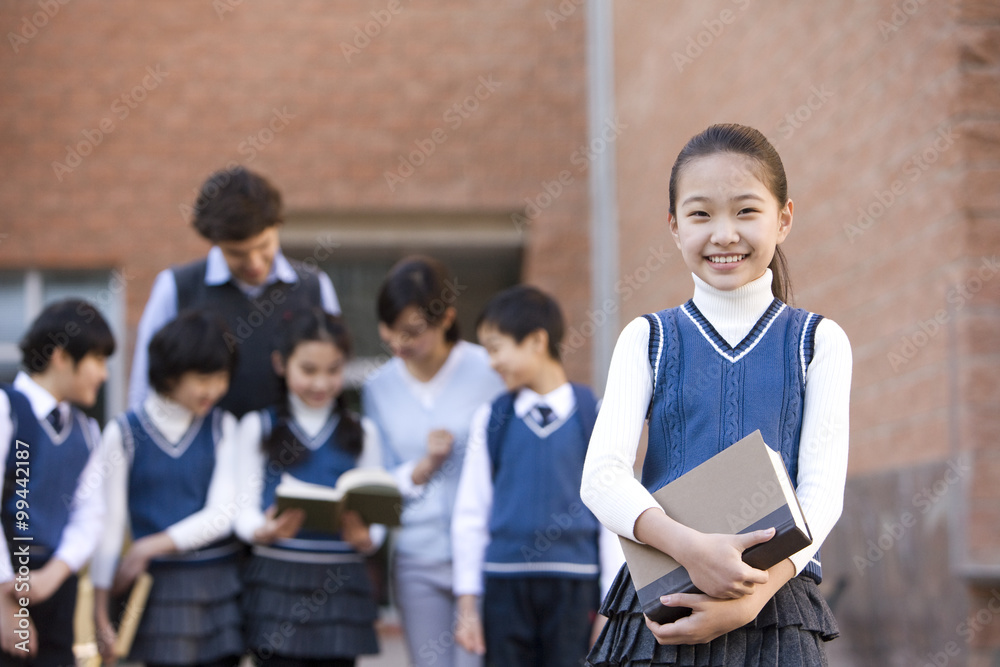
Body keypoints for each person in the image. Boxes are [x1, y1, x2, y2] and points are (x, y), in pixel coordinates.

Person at [581, 123, 852, 665]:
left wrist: (751, 597)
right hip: (664, 604)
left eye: (746, 211)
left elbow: (820, 493)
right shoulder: (648, 338)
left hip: (777, 610)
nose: (724, 234)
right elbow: (601, 476)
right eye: (701, 214)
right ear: (675, 226)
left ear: (784, 218)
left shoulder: (818, 341)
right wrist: (690, 549)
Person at [452, 285, 623, 667]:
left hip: (574, 586)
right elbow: (471, 512)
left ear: (536, 341)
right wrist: (468, 601)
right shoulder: (492, 418)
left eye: (495, 348)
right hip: (503, 584)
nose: (491, 362)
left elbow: (612, 518)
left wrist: (611, 604)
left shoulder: (593, 416)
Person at [362, 256, 505, 667]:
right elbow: (380, 476)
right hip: (415, 556)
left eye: (412, 331)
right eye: (389, 328)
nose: (397, 342)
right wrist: (420, 468)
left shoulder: (489, 370)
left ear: (446, 319)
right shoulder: (378, 386)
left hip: (484, 551)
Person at [91, 310, 242, 666]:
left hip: (217, 587)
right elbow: (109, 527)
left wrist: (148, 547)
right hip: (153, 595)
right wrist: (99, 612)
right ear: (171, 373)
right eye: (205, 378)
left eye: (223, 378)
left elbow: (223, 515)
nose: (215, 390)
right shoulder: (124, 433)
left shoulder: (223, 427)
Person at [129, 165, 341, 418]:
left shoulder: (313, 286)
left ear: (278, 226)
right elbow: (144, 386)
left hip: (287, 447)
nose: (254, 263)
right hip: (205, 449)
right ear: (214, 242)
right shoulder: (177, 287)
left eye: (263, 246)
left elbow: (332, 372)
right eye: (236, 254)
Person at [235, 308, 384, 666]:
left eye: (333, 370)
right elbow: (240, 505)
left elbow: (376, 513)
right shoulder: (258, 427)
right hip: (277, 580)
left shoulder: (363, 432)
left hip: (341, 582)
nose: (321, 383)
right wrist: (262, 529)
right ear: (280, 364)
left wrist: (368, 537)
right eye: (308, 370)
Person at [0, 299, 115, 664]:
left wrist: (53, 575)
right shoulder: (5, 410)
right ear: (62, 357)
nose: (104, 374)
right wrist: (3, 598)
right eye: (98, 360)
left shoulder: (87, 431)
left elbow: (90, 514)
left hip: (55, 591)